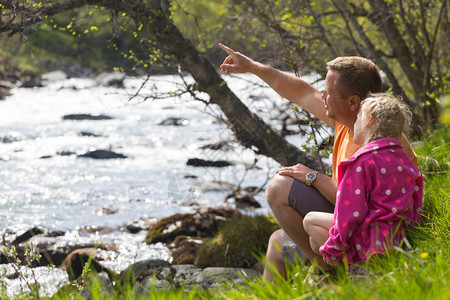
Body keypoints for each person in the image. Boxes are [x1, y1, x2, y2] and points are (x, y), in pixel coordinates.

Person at [218, 43, 418, 281]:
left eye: (327, 91)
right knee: (277, 243)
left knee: (279, 187)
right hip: (353, 221)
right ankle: (315, 272)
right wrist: (253, 67)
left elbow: (361, 203)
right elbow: (301, 91)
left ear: (353, 102)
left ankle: (330, 271)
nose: (321, 96)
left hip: (368, 233)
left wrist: (314, 178)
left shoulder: (378, 143)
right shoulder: (351, 121)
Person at [303, 93, 423, 268]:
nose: (355, 123)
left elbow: (350, 212)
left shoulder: (361, 161)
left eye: (358, 117)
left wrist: (334, 246)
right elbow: (417, 204)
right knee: (314, 243)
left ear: (369, 121)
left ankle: (357, 266)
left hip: (370, 239)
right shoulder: (405, 161)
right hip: (399, 236)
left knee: (309, 220)